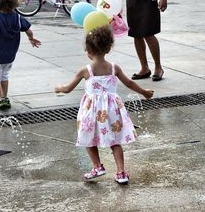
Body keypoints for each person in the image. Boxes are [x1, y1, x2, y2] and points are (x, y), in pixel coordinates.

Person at [55, 25, 154, 184]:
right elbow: (129, 83)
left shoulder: (86, 70)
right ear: (108, 48)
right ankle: (121, 172)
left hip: (92, 112)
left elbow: (68, 89)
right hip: (112, 110)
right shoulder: (114, 67)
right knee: (115, 141)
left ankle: (97, 166)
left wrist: (59, 88)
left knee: (88, 138)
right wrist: (144, 92)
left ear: (88, 50)